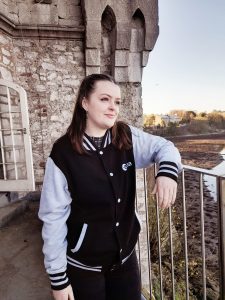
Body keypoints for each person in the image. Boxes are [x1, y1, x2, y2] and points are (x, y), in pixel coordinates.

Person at [38, 73, 182, 300]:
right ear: (84, 102)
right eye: (105, 99)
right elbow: (53, 217)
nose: (113, 107)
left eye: (117, 102)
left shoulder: (124, 135)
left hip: (126, 262)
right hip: (84, 267)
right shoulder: (63, 154)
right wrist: (58, 279)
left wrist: (167, 173)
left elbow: (165, 147)